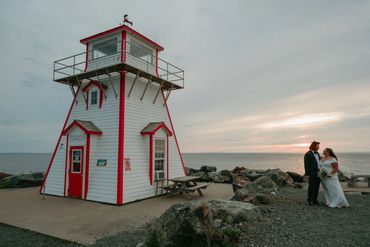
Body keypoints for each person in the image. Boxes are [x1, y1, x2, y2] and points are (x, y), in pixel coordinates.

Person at [304, 141, 321, 206]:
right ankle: (309, 200)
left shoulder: (318, 154)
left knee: (317, 187)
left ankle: (315, 200)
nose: (318, 148)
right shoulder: (308, 154)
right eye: (317, 146)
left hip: (318, 173)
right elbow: (306, 165)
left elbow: (319, 163)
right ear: (313, 146)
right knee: (311, 187)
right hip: (312, 173)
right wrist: (307, 174)